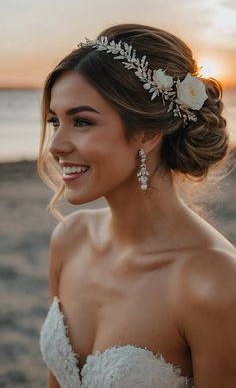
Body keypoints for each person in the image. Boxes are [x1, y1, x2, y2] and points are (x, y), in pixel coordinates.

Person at [38, 23, 236, 388]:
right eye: (55, 121)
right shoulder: (70, 239)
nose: (56, 145)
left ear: (147, 132)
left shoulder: (215, 282)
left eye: (81, 121)